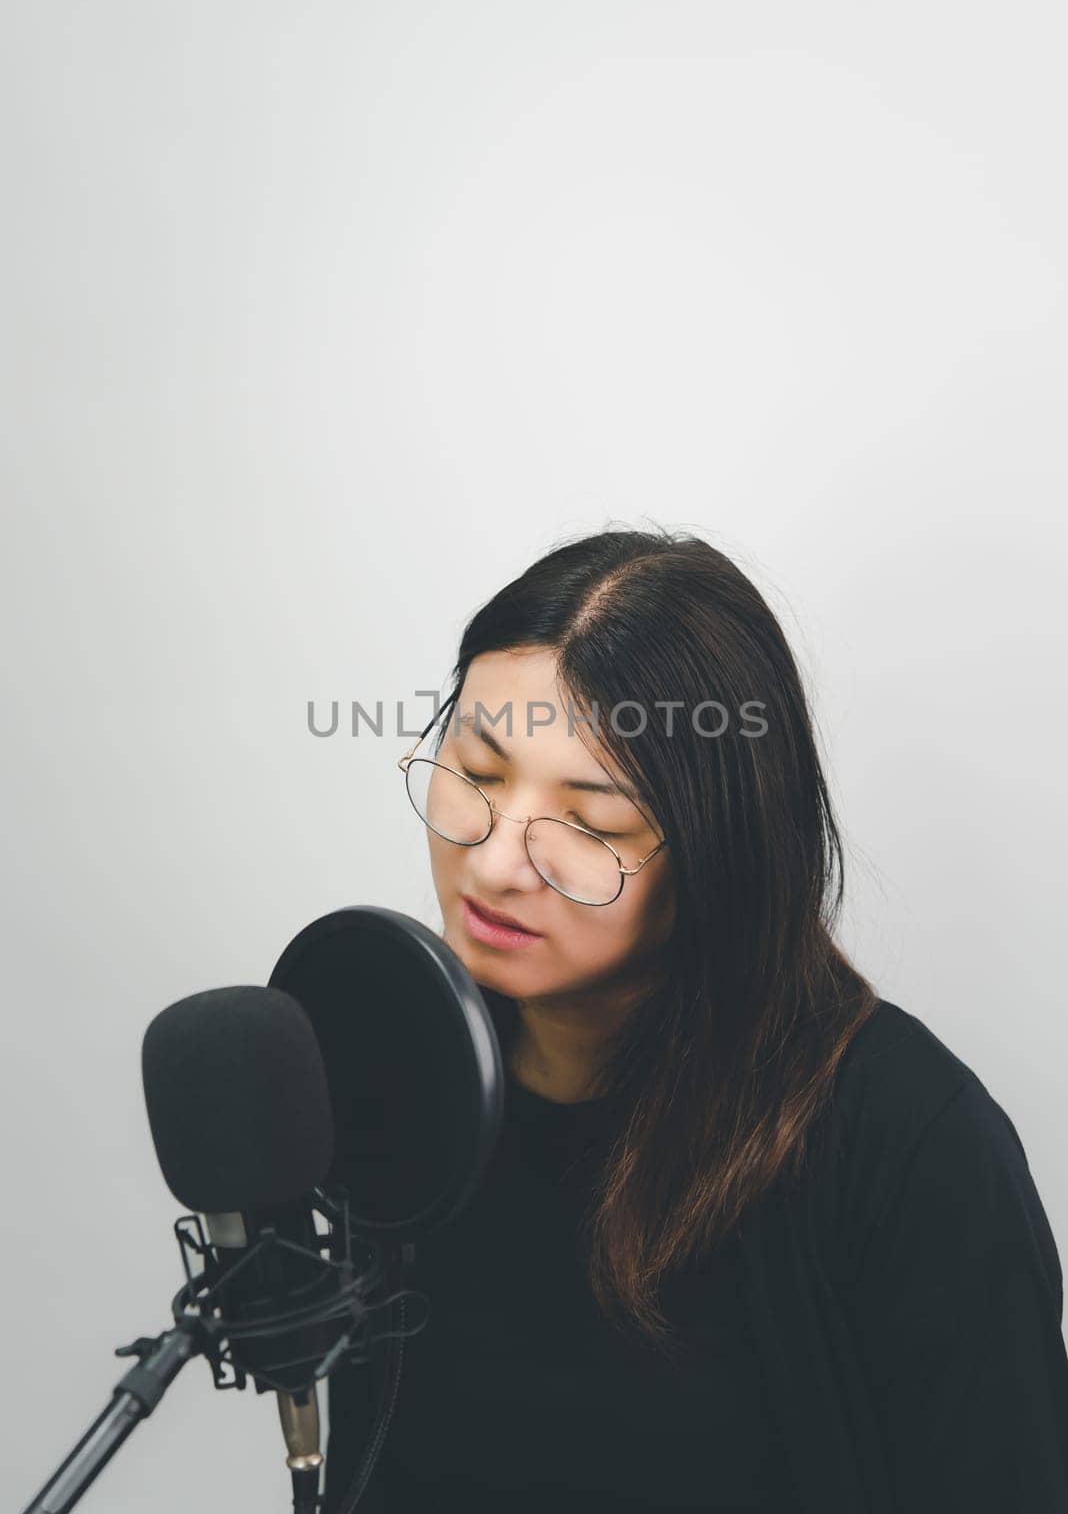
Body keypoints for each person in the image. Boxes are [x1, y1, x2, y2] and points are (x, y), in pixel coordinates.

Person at [324, 524, 1068, 1513]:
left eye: (589, 823)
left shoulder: (905, 1144)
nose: (497, 863)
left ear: (721, 851)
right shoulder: (398, 1084)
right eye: (478, 774)